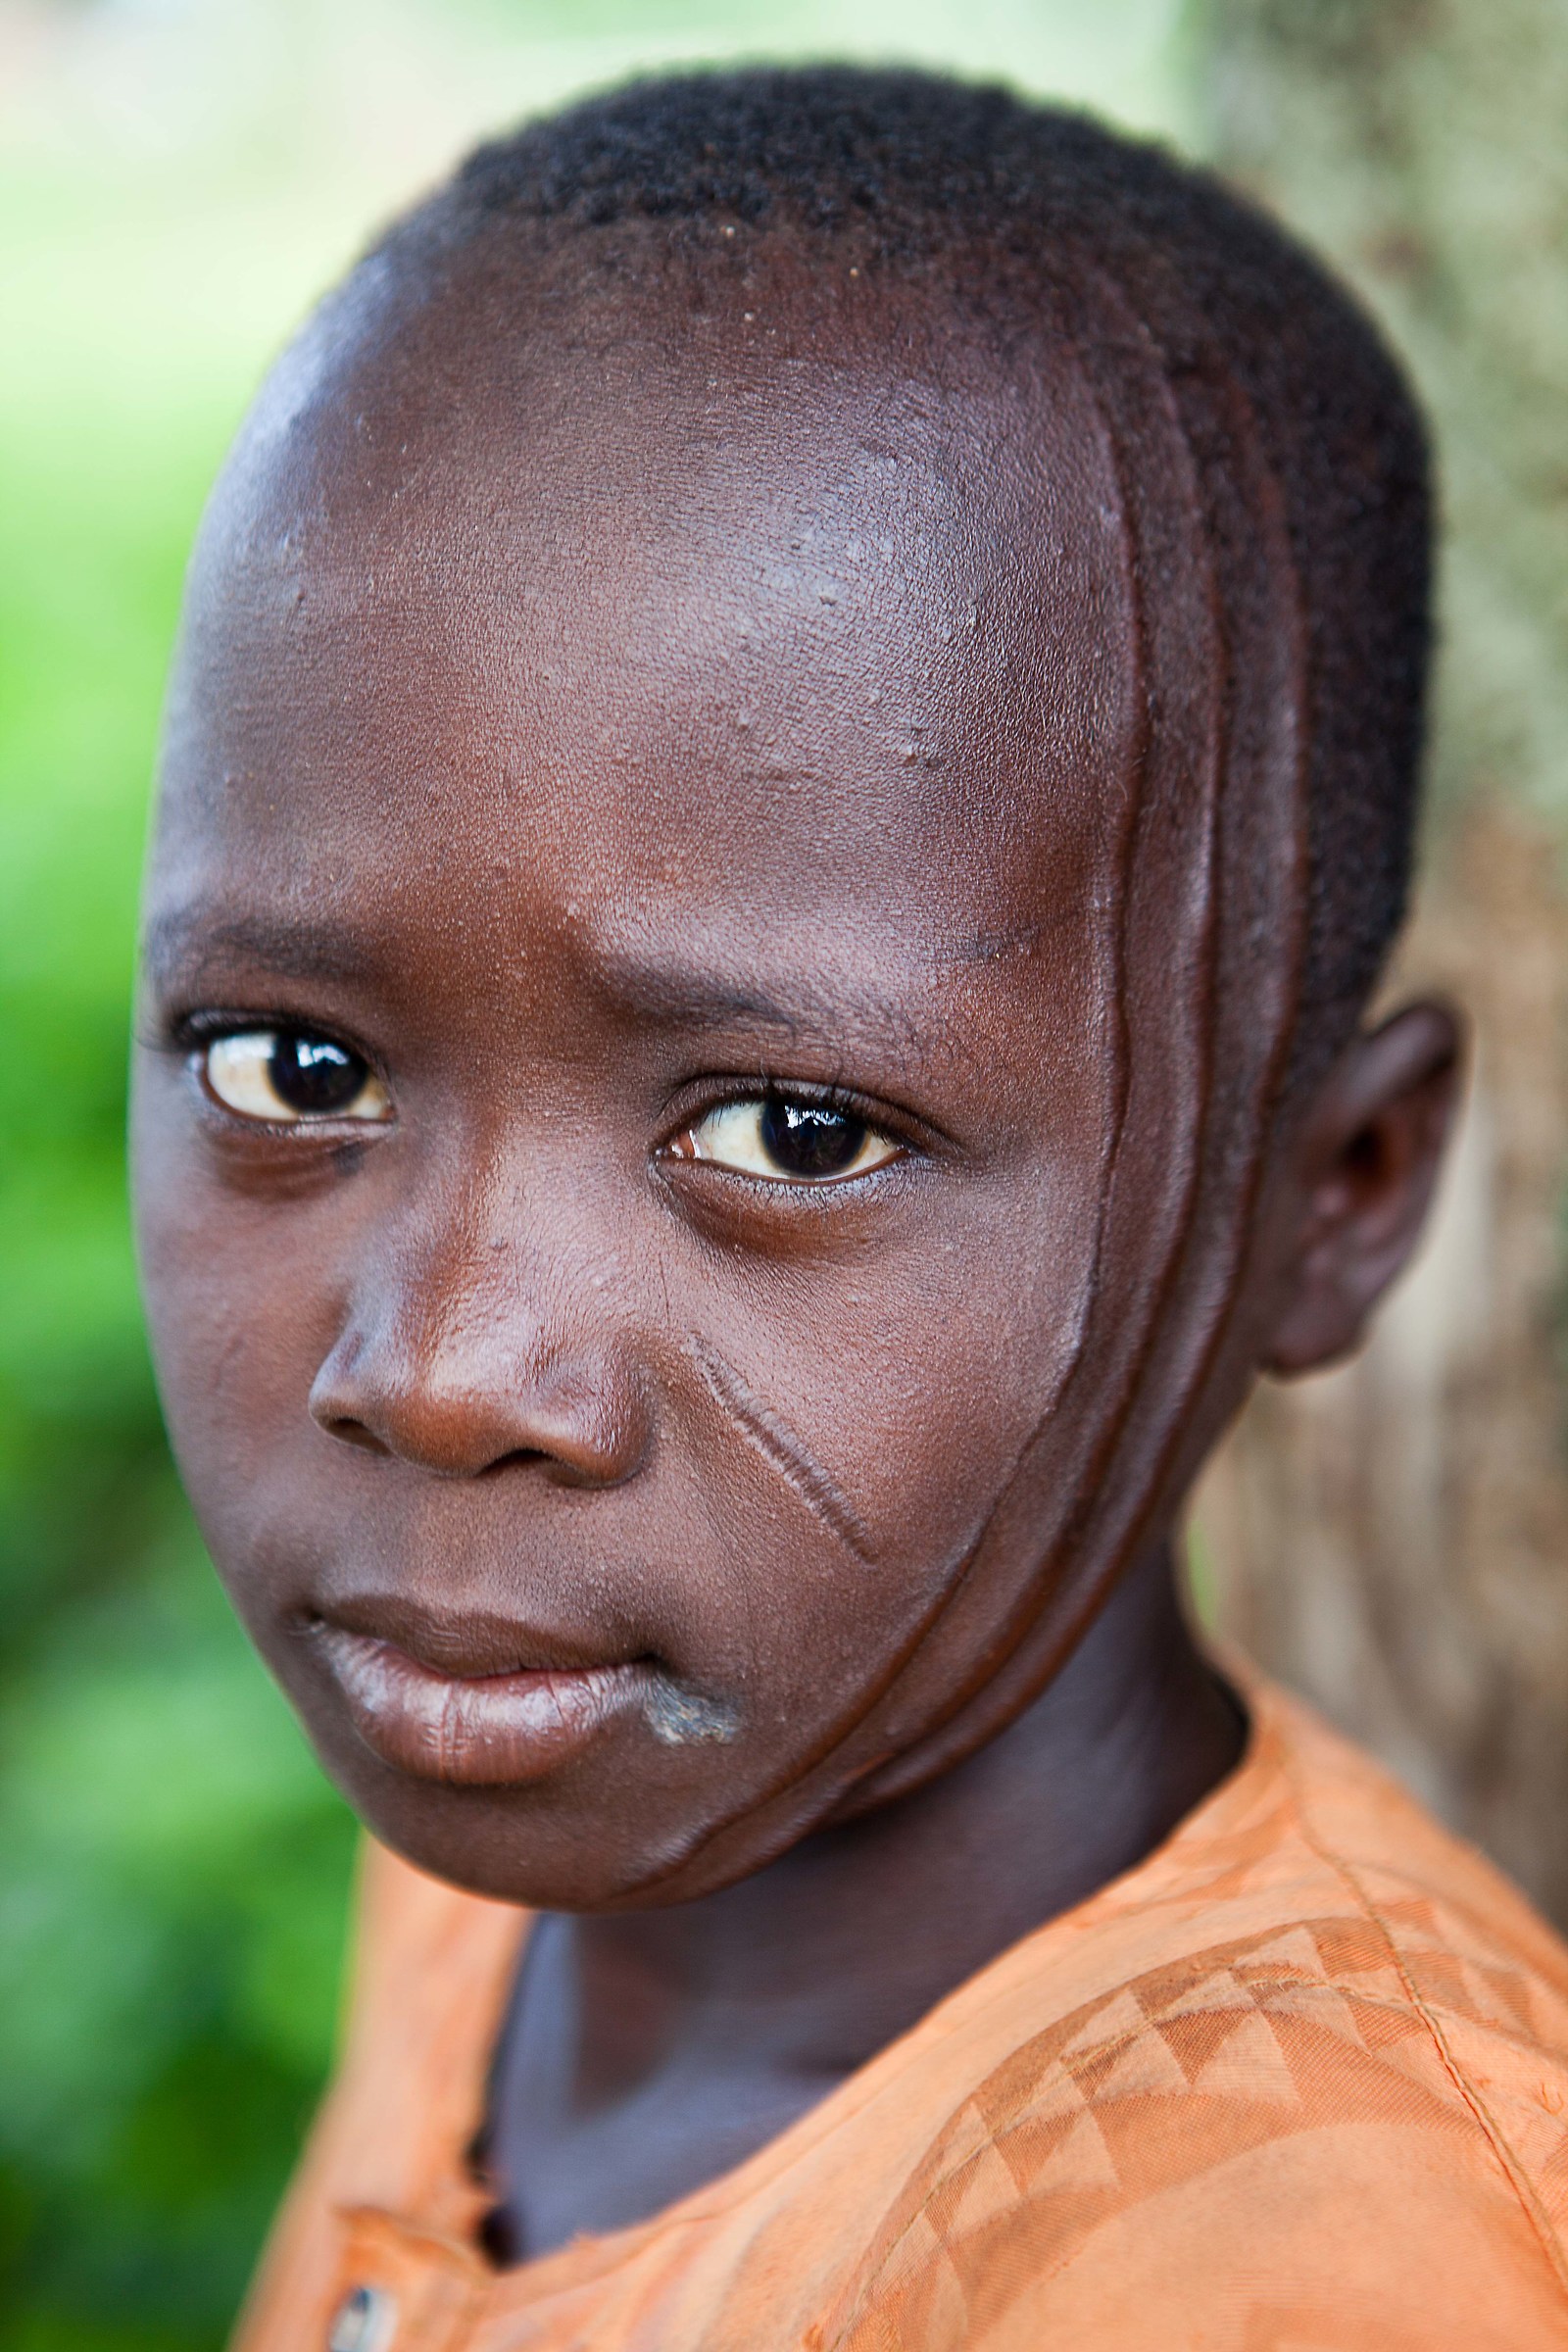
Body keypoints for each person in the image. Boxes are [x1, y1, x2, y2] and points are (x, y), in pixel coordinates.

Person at [130, 66, 1568, 2351]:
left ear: (1338, 1197)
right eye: (294, 1070)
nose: (435, 1372)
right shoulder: (523, 1858)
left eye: (794, 1134)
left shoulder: (1304, 2254)